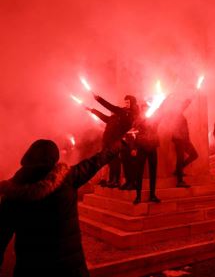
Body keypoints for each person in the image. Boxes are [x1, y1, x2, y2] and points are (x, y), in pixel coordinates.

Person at [0, 139, 120, 277]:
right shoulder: (68, 178)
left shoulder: (12, 193)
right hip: (69, 269)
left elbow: (1, 235)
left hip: (30, 268)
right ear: (54, 159)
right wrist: (118, 145)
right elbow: (96, 161)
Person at [89, 94, 139, 188]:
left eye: (128, 102)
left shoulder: (131, 113)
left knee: (122, 162)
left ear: (132, 103)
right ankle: (117, 181)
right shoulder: (121, 113)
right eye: (125, 102)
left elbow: (110, 106)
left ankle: (124, 181)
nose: (126, 104)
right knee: (117, 161)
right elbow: (106, 116)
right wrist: (93, 110)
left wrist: (99, 99)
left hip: (125, 140)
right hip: (116, 140)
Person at [133, 102, 162, 204]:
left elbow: (161, 116)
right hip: (141, 147)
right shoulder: (138, 119)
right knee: (139, 173)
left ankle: (152, 195)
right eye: (144, 108)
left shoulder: (154, 119)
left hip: (152, 146)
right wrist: (134, 148)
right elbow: (134, 129)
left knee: (153, 172)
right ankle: (138, 196)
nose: (145, 110)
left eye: (147, 108)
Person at [172, 99, 198, 188]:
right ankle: (179, 181)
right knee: (180, 159)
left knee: (194, 155)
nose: (185, 107)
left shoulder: (180, 115)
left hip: (185, 140)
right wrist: (187, 101)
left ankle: (178, 170)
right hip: (179, 140)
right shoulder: (176, 114)